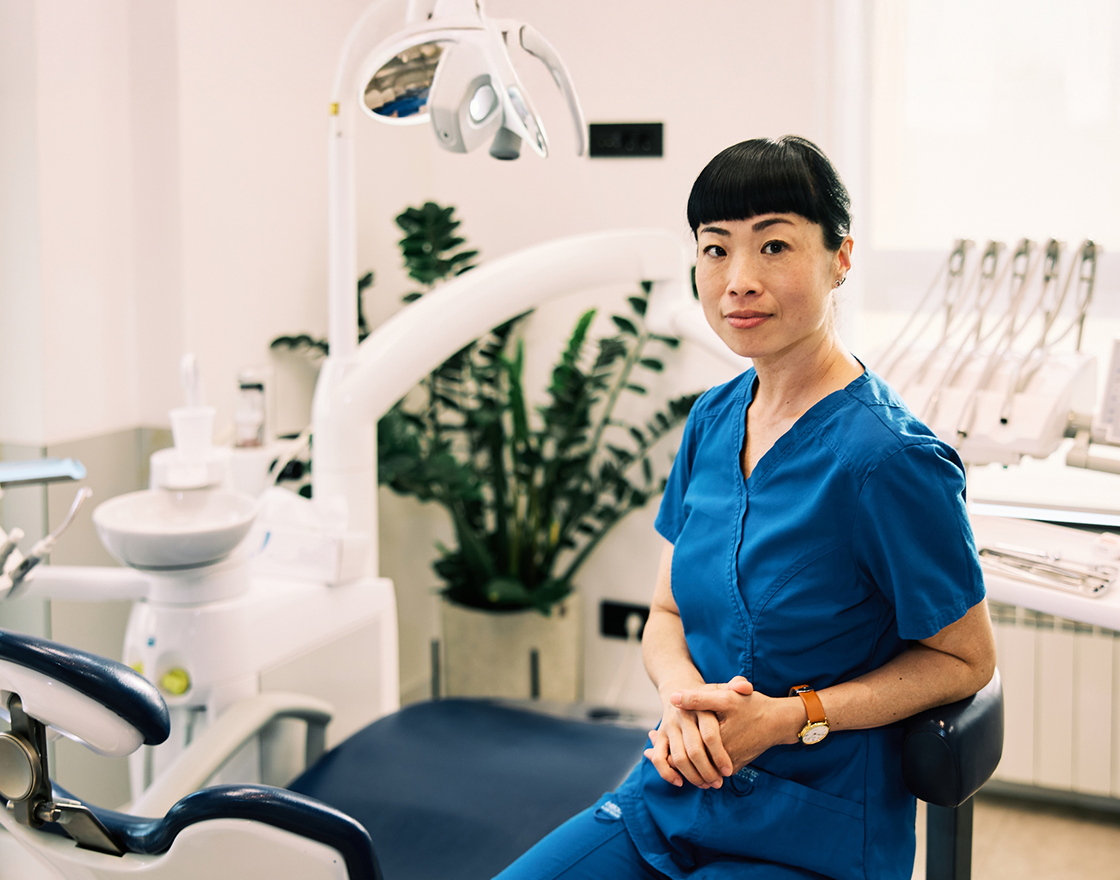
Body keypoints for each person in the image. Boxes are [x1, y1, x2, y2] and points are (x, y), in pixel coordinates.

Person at [495, 135, 996, 880]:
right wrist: (680, 702)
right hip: (671, 796)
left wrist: (790, 717)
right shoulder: (713, 419)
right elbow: (665, 616)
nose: (738, 281)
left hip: (812, 830)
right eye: (715, 249)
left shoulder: (887, 461)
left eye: (774, 247)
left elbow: (966, 658)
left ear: (841, 259)